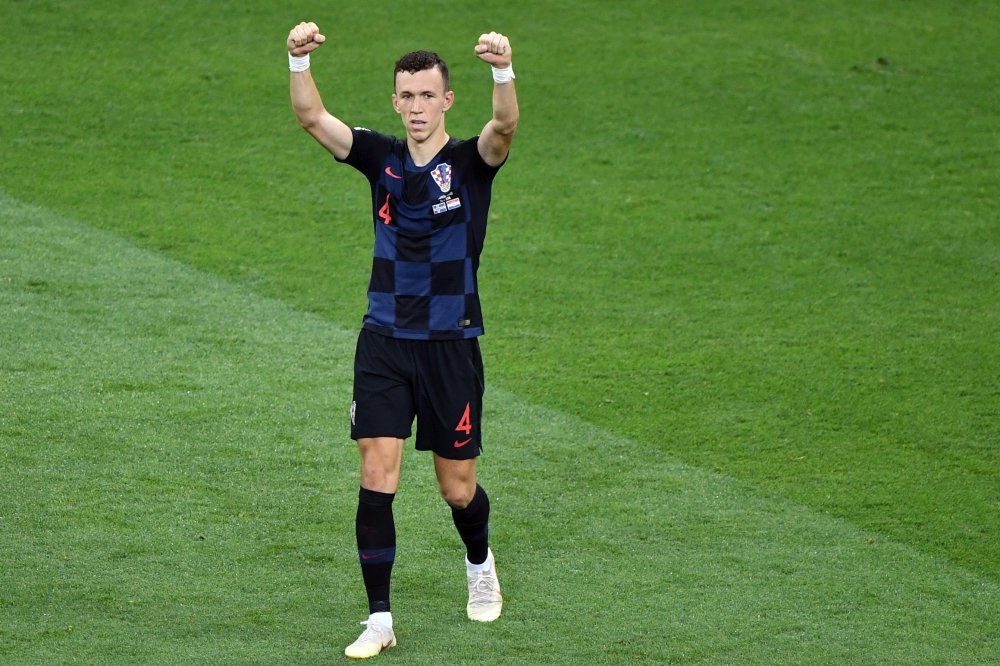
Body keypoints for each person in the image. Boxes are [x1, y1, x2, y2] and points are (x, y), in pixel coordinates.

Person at [286, 22, 519, 659]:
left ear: (447, 100)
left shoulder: (471, 164)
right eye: (406, 96)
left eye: (427, 96)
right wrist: (296, 58)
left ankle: (478, 559)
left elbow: (504, 129)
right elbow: (312, 117)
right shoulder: (380, 158)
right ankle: (380, 619)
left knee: (457, 489)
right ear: (396, 102)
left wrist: (503, 71)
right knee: (376, 471)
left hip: (450, 347)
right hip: (385, 341)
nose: (416, 107)